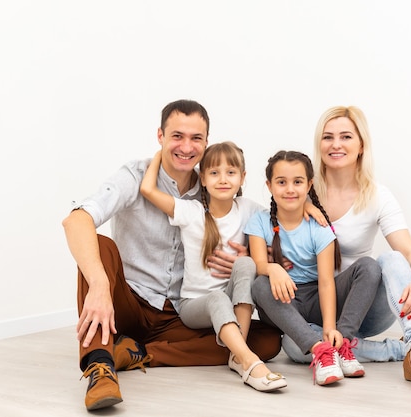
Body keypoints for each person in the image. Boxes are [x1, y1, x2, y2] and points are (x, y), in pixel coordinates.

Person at [61, 100, 282, 410]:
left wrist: (253, 254)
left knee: (268, 341)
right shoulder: (135, 176)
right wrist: (99, 286)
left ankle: (138, 351)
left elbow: (279, 220)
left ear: (206, 142)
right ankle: (100, 366)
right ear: (160, 136)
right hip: (129, 302)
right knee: (99, 244)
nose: (186, 146)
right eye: (177, 136)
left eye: (196, 138)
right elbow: (76, 219)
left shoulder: (214, 185)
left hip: (178, 313)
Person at [282, 105, 411, 391]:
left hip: (364, 303)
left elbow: (409, 252)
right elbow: (271, 233)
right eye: (328, 137)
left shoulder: (378, 196)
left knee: (392, 259)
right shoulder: (300, 190)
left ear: (361, 145)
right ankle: (400, 350)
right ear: (319, 144)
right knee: (293, 345)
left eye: (346, 137)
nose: (336, 144)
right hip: (319, 308)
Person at [139, 141, 287, 392]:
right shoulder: (191, 212)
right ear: (203, 179)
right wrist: (159, 154)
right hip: (194, 304)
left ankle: (235, 356)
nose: (223, 179)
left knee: (245, 262)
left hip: (230, 298)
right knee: (217, 297)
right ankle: (249, 361)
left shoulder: (248, 209)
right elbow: (147, 189)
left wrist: (310, 207)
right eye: (214, 173)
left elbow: (285, 211)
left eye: (231, 172)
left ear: (242, 178)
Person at [246, 150, 383, 386]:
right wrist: (273, 269)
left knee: (369, 267)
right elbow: (259, 264)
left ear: (309, 185)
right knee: (260, 284)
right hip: (284, 301)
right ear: (269, 186)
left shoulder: (319, 228)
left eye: (297, 182)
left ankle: (342, 343)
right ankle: (319, 349)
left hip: (316, 298)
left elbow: (327, 280)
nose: (290, 189)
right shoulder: (259, 222)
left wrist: (330, 327)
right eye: (281, 182)